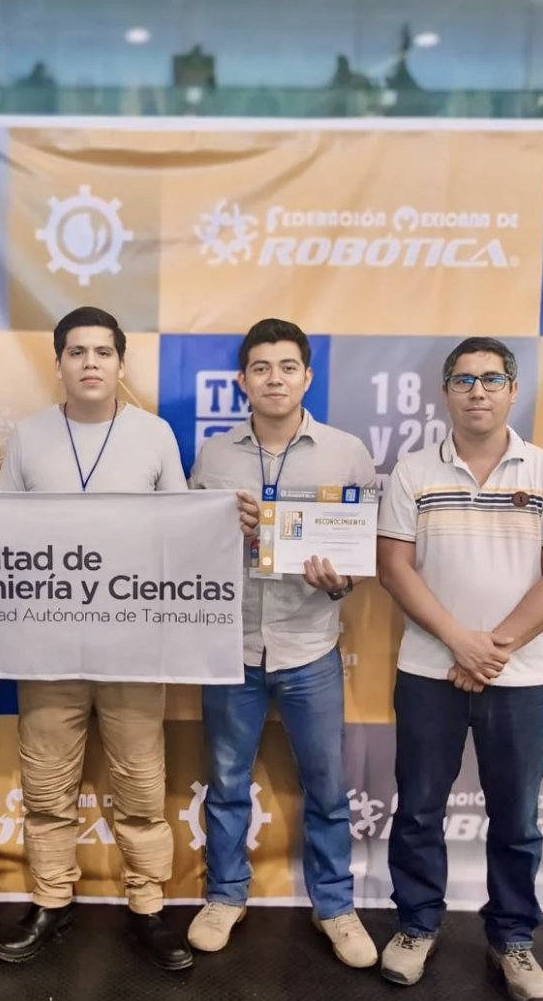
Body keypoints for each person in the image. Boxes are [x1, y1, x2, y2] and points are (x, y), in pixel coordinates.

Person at [375, 337, 543, 1000]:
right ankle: (416, 925)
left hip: (517, 678)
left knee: (517, 820)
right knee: (418, 811)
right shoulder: (413, 472)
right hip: (428, 673)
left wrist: (491, 647)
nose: (478, 391)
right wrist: (459, 642)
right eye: (464, 380)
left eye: (492, 379)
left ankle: (513, 939)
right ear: (446, 391)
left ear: (513, 391)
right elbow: (394, 568)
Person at [0, 306, 193, 971]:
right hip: (48, 647)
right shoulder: (28, 437)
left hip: (133, 645)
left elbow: (181, 534)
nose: (90, 363)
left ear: (121, 363)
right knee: (47, 787)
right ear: (58, 364)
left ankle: (148, 906)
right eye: (76, 352)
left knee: (141, 787)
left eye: (103, 352)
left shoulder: (154, 435)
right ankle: (51, 901)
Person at [186, 318, 379, 968]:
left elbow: (362, 547)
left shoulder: (346, 452)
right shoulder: (215, 455)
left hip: (309, 645)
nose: (275, 379)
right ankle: (225, 895)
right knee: (226, 782)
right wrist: (223, 530)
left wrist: (340, 580)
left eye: (288, 366)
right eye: (261, 368)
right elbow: (186, 548)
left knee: (326, 786)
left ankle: (336, 906)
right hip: (232, 645)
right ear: (242, 380)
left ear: (307, 377)